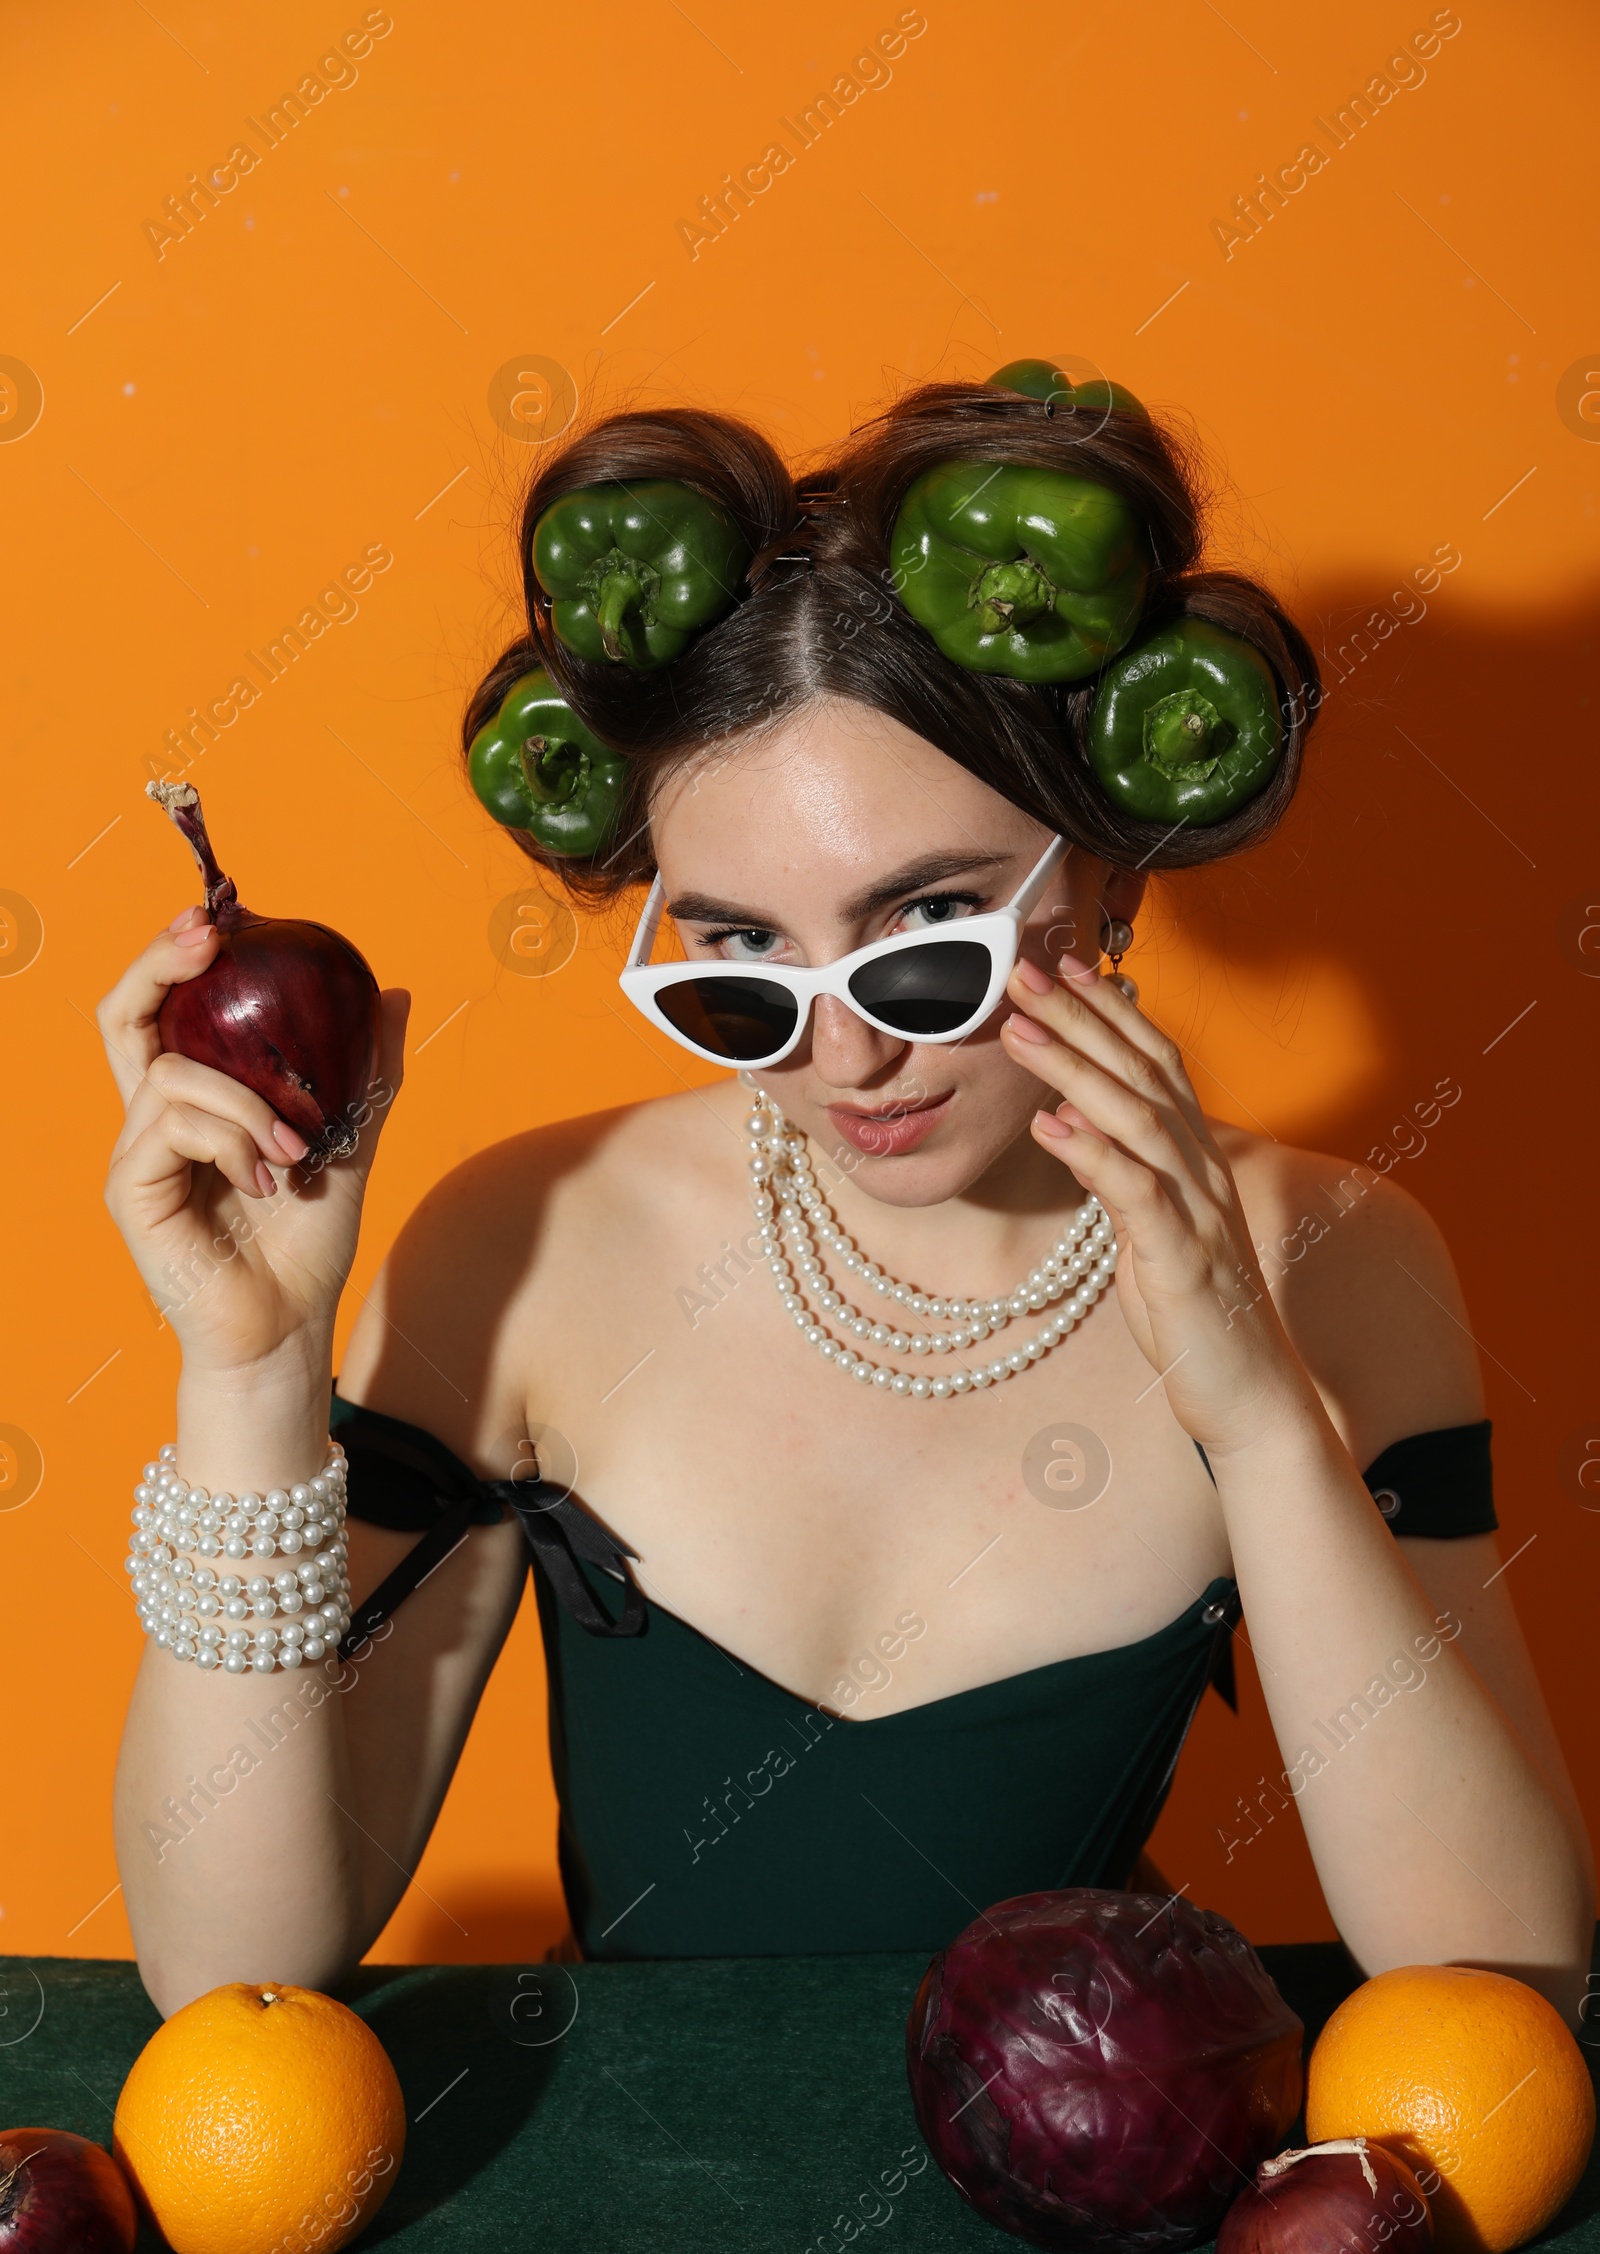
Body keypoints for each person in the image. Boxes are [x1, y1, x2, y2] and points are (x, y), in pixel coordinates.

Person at [100, 371, 1593, 2022]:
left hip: (1092, 2190)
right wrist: (246, 1380)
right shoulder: (526, 1245)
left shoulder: (1341, 1263)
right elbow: (231, 1972)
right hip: (639, 2214)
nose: (848, 1055)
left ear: (1102, 869)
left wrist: (1256, 1418)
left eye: (930, 934)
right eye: (739, 956)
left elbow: (1500, 1980)